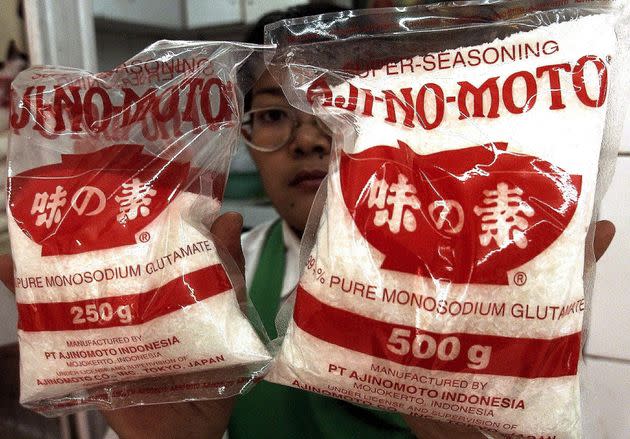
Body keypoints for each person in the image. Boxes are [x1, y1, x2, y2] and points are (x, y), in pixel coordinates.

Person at [0, 4, 618, 439]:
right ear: (241, 134)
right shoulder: (208, 281)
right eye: (273, 114)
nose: (307, 139)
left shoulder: (473, 294)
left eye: (334, 110)